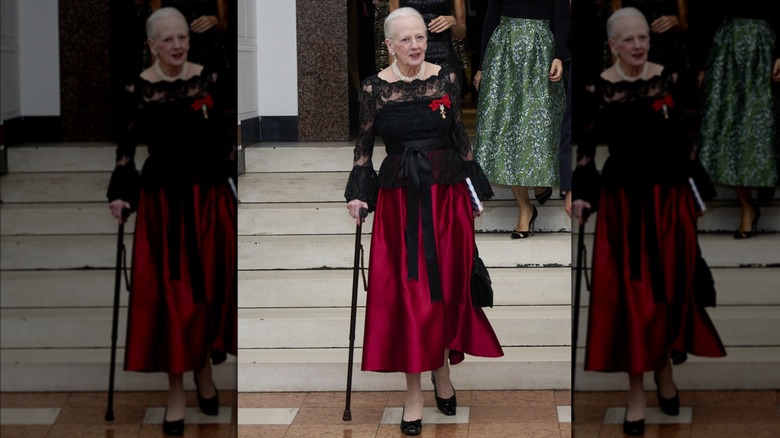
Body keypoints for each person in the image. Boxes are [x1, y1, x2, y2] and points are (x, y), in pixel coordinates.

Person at [344, 7, 503, 436]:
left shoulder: (447, 78)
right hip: (401, 206)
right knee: (411, 295)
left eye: (420, 38)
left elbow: (460, 139)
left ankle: (444, 372)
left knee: (448, 290)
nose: (416, 46)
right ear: (389, 45)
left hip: (447, 199)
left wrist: (473, 191)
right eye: (406, 39)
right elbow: (364, 147)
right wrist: (359, 193)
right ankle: (414, 391)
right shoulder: (375, 88)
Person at [571, 8, 726, 436]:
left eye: (643, 38)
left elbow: (685, 146)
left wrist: (697, 192)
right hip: (623, 207)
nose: (638, 46)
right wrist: (583, 196)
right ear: (612, 45)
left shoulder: (669, 78)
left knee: (667, 294)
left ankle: (665, 373)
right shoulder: (598, 87)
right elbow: (586, 155)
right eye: (628, 40)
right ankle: (637, 391)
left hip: (669, 205)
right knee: (633, 299)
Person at [106, 7, 236, 436]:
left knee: (205, 294)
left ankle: (203, 371)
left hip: (208, 203)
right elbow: (126, 151)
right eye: (168, 40)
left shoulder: (211, 77)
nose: (178, 45)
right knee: (173, 297)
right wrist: (122, 194)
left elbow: (227, 143)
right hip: (163, 206)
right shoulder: (138, 87)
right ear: (151, 46)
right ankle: (177, 391)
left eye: (182, 37)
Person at [472, 0, 568, 239]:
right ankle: (525, 207)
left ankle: (539, 179)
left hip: (540, 50)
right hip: (504, 50)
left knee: (535, 123)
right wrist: (483, 66)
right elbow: (491, 17)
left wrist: (559, 56)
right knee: (506, 126)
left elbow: (562, 17)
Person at [690, 2, 780, 239]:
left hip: (765, 47)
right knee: (730, 128)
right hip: (727, 49)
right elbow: (702, 13)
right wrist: (700, 64)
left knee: (761, 123)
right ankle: (747, 206)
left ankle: (764, 180)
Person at [389, 0, 468, 88]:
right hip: (411, 58)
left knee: (445, 100)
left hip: (444, 58)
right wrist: (394, 70)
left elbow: (461, 34)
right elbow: (392, 34)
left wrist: (453, 21)